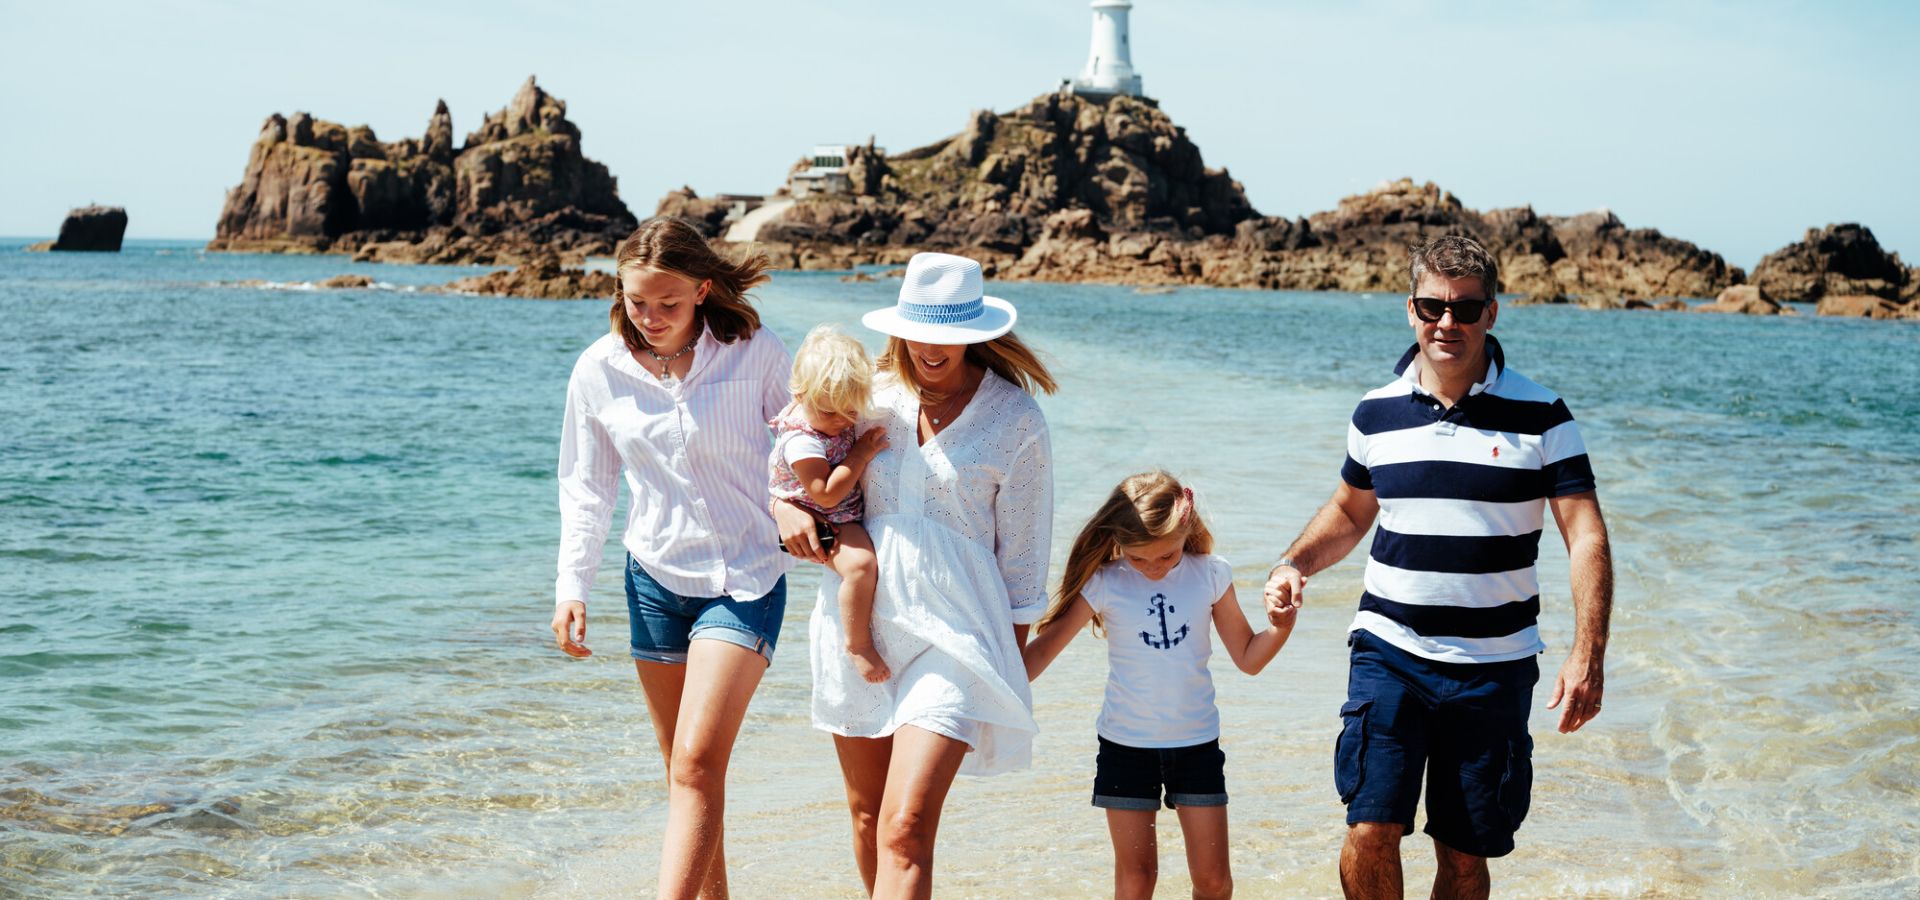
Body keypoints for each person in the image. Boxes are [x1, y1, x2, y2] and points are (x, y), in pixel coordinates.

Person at [1262, 235, 1615, 899]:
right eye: (1432, 308)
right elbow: (1348, 511)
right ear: (1411, 310)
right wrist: (1292, 563)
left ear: (1491, 314)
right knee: (1370, 829)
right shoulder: (1375, 411)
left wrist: (1587, 654)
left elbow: (1587, 536)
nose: (1446, 323)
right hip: (1389, 652)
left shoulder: (1544, 415)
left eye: (1464, 309)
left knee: (1462, 855)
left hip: (1495, 670)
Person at [775, 251, 1056, 898]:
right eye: (923, 330)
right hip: (860, 628)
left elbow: (1022, 560)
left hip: (957, 638)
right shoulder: (867, 396)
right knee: (869, 817)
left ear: (977, 332)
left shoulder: (1016, 419)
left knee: (904, 828)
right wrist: (777, 510)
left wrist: (1008, 667)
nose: (934, 348)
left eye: (951, 335)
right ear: (900, 326)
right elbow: (791, 452)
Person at [549, 217, 793, 899]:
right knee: (686, 772)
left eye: (669, 304)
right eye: (636, 303)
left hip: (745, 579)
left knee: (694, 764)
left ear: (704, 291)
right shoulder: (599, 370)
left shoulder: (755, 352)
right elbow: (587, 485)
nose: (650, 319)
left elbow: (802, 442)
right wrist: (573, 585)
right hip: (653, 581)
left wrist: (815, 509)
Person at [1023, 471, 1297, 900]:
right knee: (1136, 881)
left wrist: (1280, 628)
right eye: (1138, 559)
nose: (1153, 568)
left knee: (1214, 882)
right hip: (1125, 747)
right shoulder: (1105, 582)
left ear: (1185, 530)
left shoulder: (1211, 574)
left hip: (1197, 745)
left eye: (1166, 557)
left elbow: (1247, 658)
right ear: (1117, 542)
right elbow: (1039, 655)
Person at [768, 324, 892, 683]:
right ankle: (857, 644)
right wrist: (860, 452)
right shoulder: (801, 441)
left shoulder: (829, 410)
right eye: (829, 411)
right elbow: (824, 492)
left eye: (851, 411)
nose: (841, 421)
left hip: (837, 509)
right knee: (861, 567)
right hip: (821, 515)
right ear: (801, 395)